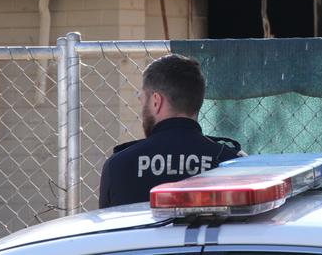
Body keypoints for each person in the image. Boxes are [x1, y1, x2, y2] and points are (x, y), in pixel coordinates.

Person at [99, 54, 244, 208]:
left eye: (141, 98)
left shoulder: (118, 166)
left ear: (156, 101)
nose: (141, 107)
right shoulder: (231, 162)